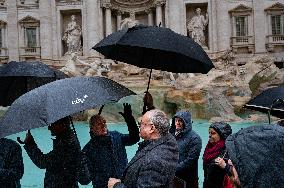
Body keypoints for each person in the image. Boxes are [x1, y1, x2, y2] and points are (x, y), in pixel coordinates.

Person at [108, 109, 179, 188]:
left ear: (151, 128)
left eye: (141, 123)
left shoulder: (155, 160)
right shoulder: (165, 141)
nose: (139, 126)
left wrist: (116, 186)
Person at [80, 103, 140, 187]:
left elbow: (134, 138)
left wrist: (129, 119)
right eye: (99, 124)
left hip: (122, 184)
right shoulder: (88, 150)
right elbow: (85, 180)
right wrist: (81, 163)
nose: (103, 125)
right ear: (92, 128)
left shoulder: (116, 136)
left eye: (104, 122)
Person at [23, 117, 84, 188]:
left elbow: (42, 162)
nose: (49, 128)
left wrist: (30, 144)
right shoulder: (67, 140)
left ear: (62, 125)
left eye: (52, 124)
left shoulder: (66, 144)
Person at [169, 111, 202, 188]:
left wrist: (173, 169)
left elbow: (190, 161)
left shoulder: (195, 138)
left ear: (186, 122)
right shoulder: (171, 135)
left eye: (180, 121)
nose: (177, 123)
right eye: (176, 120)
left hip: (187, 179)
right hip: (173, 177)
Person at [202, 122, 232, 188]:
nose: (209, 135)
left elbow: (236, 174)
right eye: (209, 133)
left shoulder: (228, 152)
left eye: (213, 133)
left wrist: (225, 166)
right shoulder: (209, 148)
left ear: (221, 135)